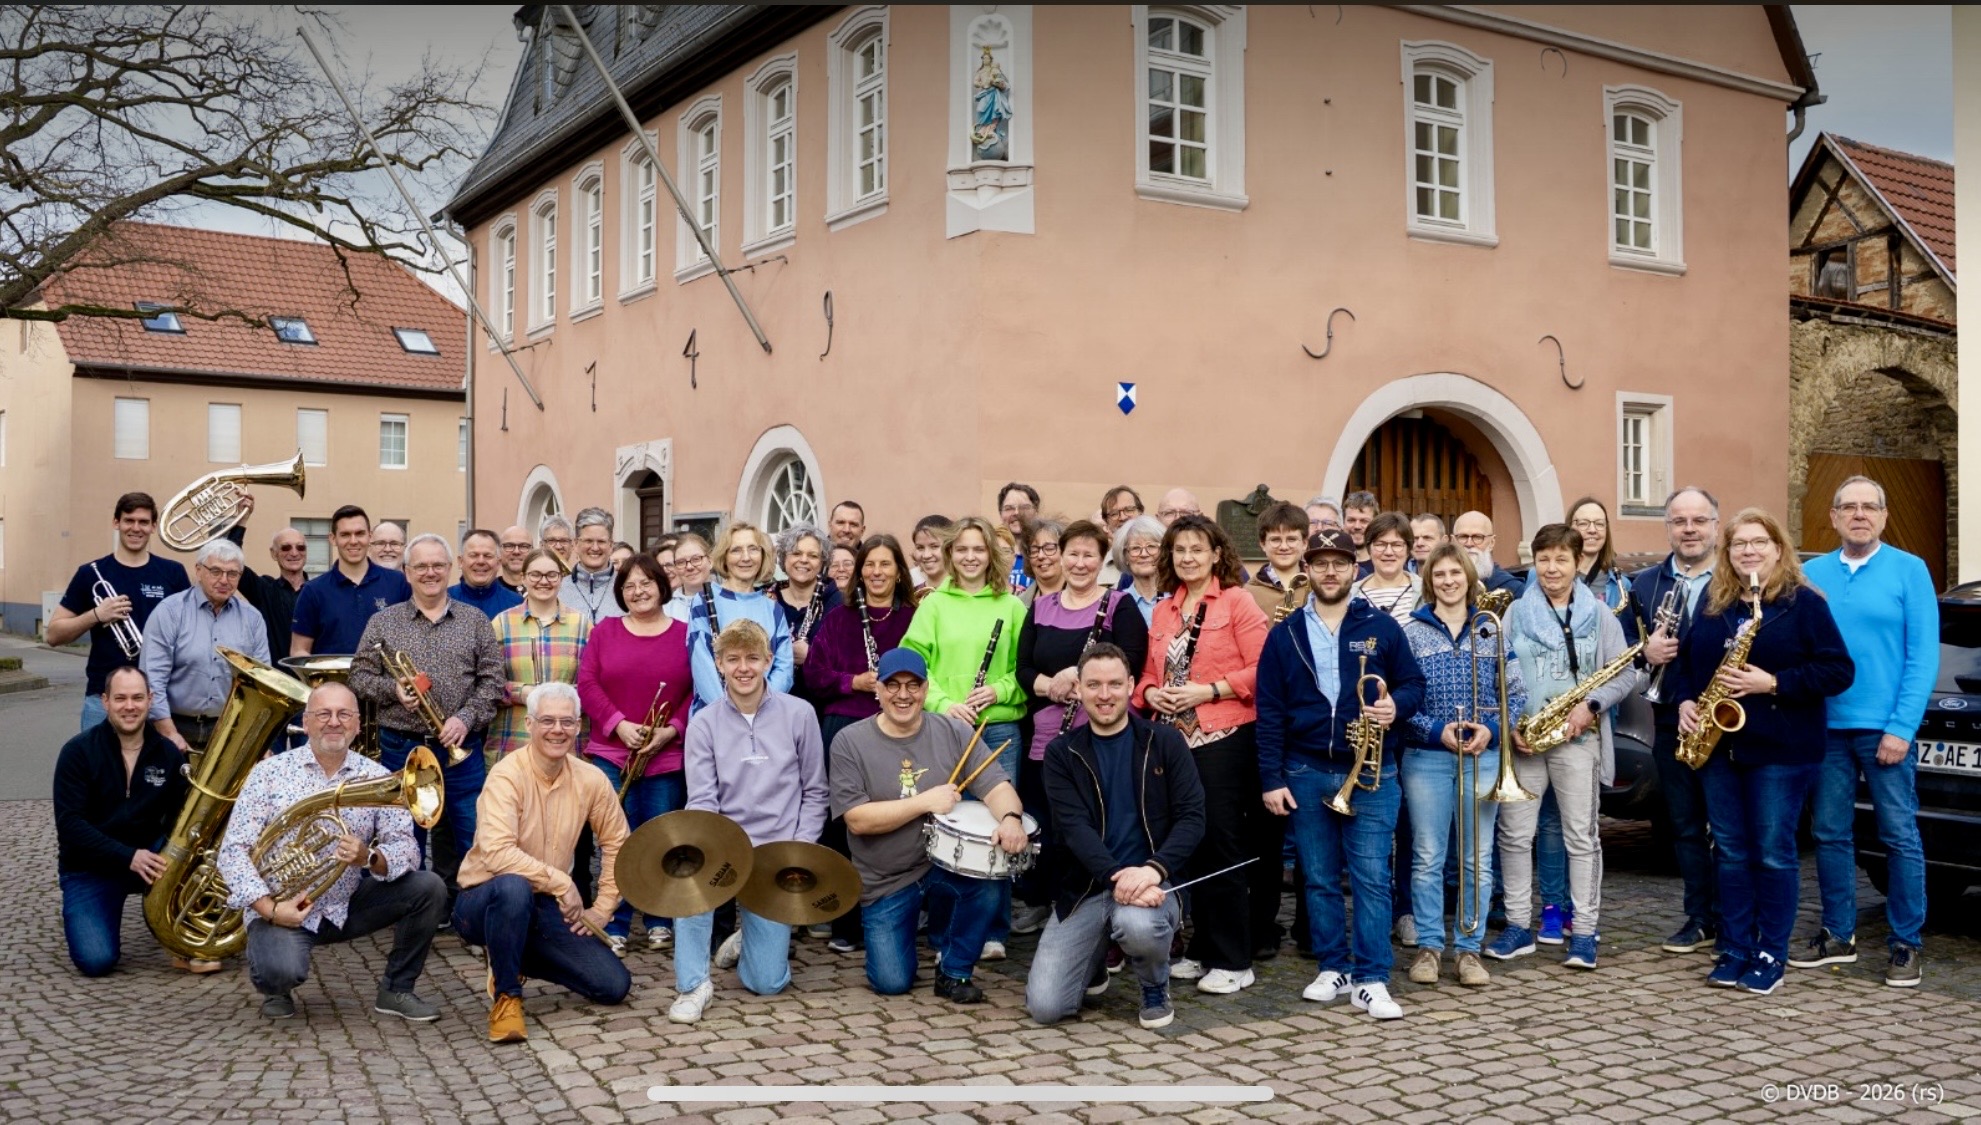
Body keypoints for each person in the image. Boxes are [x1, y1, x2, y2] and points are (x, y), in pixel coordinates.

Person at [1675, 509, 1854, 995]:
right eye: (1739, 545)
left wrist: (1772, 682)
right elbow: (1686, 665)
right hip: (1719, 748)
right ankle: (1734, 946)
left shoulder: (1804, 605)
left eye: (1758, 542)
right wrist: (1687, 700)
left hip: (1781, 748)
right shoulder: (1715, 605)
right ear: (1728, 553)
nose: (1748, 551)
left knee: (1773, 854)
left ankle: (1770, 951)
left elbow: (1838, 671)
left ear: (1778, 549)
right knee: (1730, 851)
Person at [1256, 529, 1425, 1019]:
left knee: (1373, 877)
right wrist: (1271, 778)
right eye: (1321, 563)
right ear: (1307, 568)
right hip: (1306, 769)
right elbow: (1269, 712)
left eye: (1340, 563)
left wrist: (1396, 706)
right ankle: (1334, 965)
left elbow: (1413, 683)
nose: (1330, 572)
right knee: (1319, 878)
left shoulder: (1384, 626)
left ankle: (1372, 978)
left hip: (1372, 773)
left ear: (1356, 567)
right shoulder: (1284, 633)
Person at [216, 682, 447, 1021]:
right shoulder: (269, 774)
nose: (334, 722)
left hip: (345, 903)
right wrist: (270, 908)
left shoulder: (377, 777)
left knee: (430, 888)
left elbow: (407, 848)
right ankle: (277, 987)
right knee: (280, 970)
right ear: (306, 723)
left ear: (357, 725)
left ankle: (397, 990)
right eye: (323, 714)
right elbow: (233, 851)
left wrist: (369, 857)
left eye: (344, 714)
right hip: (283, 907)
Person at [1026, 644, 1205, 1030]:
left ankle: (1155, 987)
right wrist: (1119, 876)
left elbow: (1193, 818)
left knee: (1138, 926)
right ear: (1079, 689)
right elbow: (1073, 829)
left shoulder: (1165, 742)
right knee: (1045, 1007)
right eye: (1093, 685)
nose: (1104, 695)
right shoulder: (1062, 753)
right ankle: (1092, 966)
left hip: (1153, 884)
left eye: (1113, 684)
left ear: (1131, 686)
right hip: (1087, 889)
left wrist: (1154, 870)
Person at [1487, 524, 1641, 970]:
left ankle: (1586, 931)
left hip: (1578, 739)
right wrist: (1511, 724)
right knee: (1515, 837)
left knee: (1581, 837)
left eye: (1561, 559)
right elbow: (1498, 674)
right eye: (1544, 559)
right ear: (1534, 562)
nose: (1552, 568)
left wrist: (1590, 706)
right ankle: (1518, 925)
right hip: (1526, 740)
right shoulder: (1515, 614)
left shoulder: (1601, 616)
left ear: (1577, 564)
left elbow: (1623, 673)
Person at [1799, 476, 1934, 987]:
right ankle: (1838, 934)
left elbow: (1922, 657)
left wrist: (1902, 726)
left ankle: (1906, 943)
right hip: (1826, 726)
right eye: (1848, 507)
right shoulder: (1810, 574)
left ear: (1883, 516)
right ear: (1833, 517)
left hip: (1885, 730)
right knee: (1830, 834)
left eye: (1869, 507)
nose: (1859, 515)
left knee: (1899, 835)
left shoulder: (1910, 570)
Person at [834, 648, 1027, 1002]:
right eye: (892, 685)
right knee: (891, 982)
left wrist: (1012, 820)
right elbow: (857, 820)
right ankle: (909, 937)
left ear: (926, 689)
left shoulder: (953, 731)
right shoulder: (850, 741)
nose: (903, 695)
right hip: (886, 880)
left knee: (988, 881)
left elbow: (998, 787)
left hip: (942, 866)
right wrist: (925, 802)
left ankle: (954, 970)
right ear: (877, 689)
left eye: (913, 685)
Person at [1136, 514, 1273, 990]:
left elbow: (1263, 669)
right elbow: (1150, 675)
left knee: (1222, 845)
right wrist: (1151, 695)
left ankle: (1235, 961)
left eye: (1198, 549)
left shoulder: (1238, 602)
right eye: (1180, 550)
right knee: (1189, 847)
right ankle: (1202, 947)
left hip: (1223, 738)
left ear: (1217, 554)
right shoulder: (1163, 610)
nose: (1188, 557)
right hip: (1172, 740)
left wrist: (1208, 691)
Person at [454, 682, 633, 1043]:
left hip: (541, 904)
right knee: (513, 887)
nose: (557, 730)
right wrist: (562, 882)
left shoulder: (591, 778)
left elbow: (618, 844)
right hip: (481, 901)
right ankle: (507, 997)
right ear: (530, 725)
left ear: (579, 726)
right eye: (547, 721)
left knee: (612, 985)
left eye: (567, 722)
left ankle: (509, 953)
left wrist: (601, 908)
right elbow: (497, 853)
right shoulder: (506, 775)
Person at [669, 620, 828, 1025]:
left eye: (753, 658)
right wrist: (712, 850)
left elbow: (815, 791)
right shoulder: (704, 723)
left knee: (767, 982)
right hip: (725, 845)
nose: (744, 668)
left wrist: (799, 849)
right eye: (733, 659)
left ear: (769, 661)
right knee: (687, 885)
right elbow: (702, 797)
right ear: (719, 663)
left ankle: (749, 942)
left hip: (777, 853)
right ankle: (693, 985)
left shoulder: (800, 714)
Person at [350, 534, 505, 911]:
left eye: (438, 565)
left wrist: (465, 719)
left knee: (472, 832)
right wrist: (392, 690)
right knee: (403, 835)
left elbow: (493, 682)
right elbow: (358, 676)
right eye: (421, 566)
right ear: (407, 572)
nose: (430, 572)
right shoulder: (383, 622)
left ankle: (475, 912)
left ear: (450, 569)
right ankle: (410, 914)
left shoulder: (475, 621)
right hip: (401, 745)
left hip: (460, 748)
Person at [1399, 544, 1526, 988]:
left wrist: (1490, 727)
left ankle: (1469, 950)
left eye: (1456, 573)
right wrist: (1438, 732)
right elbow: (1400, 702)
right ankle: (1431, 947)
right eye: (1440, 574)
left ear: (1469, 578)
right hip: (1427, 758)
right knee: (1428, 856)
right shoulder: (1410, 632)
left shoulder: (1490, 630)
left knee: (1477, 858)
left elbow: (1516, 694)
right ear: (1429, 581)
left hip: (1482, 755)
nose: (1449, 581)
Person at [1017, 520, 1150, 935]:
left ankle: (1102, 911)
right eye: (1071, 553)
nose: (1079, 562)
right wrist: (1052, 686)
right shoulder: (1040, 606)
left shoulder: (1119, 605)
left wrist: (1077, 678)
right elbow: (1022, 668)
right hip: (1047, 736)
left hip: (1100, 735)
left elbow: (1132, 663)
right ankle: (1055, 908)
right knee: (1048, 825)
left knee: (1096, 824)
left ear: (1102, 559)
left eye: (1088, 555)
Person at [805, 532, 920, 954]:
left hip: (899, 729)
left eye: (885, 564)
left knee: (895, 818)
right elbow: (815, 676)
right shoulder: (839, 618)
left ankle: (898, 911)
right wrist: (853, 681)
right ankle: (844, 918)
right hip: (845, 729)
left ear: (898, 571)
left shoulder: (913, 618)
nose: (876, 573)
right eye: (869, 565)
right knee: (843, 825)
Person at [575, 552, 693, 952]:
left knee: (659, 836)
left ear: (662, 586)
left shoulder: (685, 633)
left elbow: (696, 692)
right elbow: (587, 684)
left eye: (646, 583)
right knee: (616, 838)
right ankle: (616, 918)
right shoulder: (605, 631)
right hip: (612, 751)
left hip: (665, 753)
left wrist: (671, 730)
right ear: (620, 593)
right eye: (629, 586)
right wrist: (619, 725)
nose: (638, 591)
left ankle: (659, 917)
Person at [1628, 486, 1724, 955]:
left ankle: (1734, 917)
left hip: (1729, 717)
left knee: (1729, 826)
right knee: (1683, 824)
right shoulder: (1645, 584)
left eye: (1698, 520)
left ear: (1715, 526)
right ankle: (1699, 917)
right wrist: (1645, 654)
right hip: (1671, 717)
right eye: (1680, 521)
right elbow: (1624, 652)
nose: (1689, 529)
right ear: (1668, 527)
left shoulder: (1737, 578)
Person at [53, 666, 195, 976]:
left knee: (197, 854)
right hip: (90, 868)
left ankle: (185, 934)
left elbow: (183, 816)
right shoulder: (77, 752)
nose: (129, 706)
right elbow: (70, 825)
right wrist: (127, 856)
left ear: (150, 700)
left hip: (149, 859)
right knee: (96, 960)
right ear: (105, 702)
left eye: (137, 698)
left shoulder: (168, 753)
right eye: (120, 698)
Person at [49, 492, 191, 729]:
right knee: (99, 766)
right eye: (129, 520)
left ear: (154, 526)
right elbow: (53, 634)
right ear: (116, 523)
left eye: (144, 522)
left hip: (159, 698)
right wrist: (96, 615)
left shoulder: (173, 572)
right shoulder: (90, 573)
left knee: (158, 767)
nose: (136, 528)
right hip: (103, 699)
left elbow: (190, 632)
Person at [140, 539, 270, 753]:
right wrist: (169, 732)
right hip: (173, 725)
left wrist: (256, 737)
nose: (224, 580)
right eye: (216, 571)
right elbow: (153, 679)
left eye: (232, 574)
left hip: (230, 729)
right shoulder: (170, 612)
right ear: (198, 570)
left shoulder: (253, 618)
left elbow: (262, 684)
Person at [490, 548, 591, 758]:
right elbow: (488, 684)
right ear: (523, 578)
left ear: (561, 578)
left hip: (569, 750)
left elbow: (593, 686)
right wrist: (523, 693)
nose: (543, 581)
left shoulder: (582, 625)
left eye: (551, 575)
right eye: (535, 574)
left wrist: (559, 697)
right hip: (514, 745)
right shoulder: (501, 623)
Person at [686, 522, 794, 714]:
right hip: (715, 715)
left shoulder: (773, 608)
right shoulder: (703, 601)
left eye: (753, 549)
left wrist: (758, 709)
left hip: (764, 716)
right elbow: (701, 664)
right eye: (736, 550)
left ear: (762, 555)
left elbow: (784, 669)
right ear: (724, 557)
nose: (746, 557)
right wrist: (733, 712)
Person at [291, 505, 412, 657]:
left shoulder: (399, 583)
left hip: (389, 680)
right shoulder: (313, 591)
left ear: (370, 536)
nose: (353, 541)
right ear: (333, 538)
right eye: (345, 535)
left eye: (359, 533)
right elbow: (299, 650)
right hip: (333, 680)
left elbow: (415, 637)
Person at [771, 524, 842, 697]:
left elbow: (848, 662)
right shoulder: (766, 599)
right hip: (771, 701)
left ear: (823, 562)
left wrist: (812, 656)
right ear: (783, 558)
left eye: (813, 555)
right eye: (796, 553)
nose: (803, 560)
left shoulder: (839, 603)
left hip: (822, 704)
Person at [236, 524, 309, 663]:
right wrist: (242, 520)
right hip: (276, 680)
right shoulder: (264, 590)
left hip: (314, 681)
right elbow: (232, 560)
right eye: (286, 547)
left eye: (300, 547)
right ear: (273, 553)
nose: (294, 553)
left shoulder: (319, 591)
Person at [1352, 512, 1423, 625]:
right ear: (1369, 549)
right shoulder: (1352, 594)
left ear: (1408, 550)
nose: (1388, 552)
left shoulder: (1425, 591)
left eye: (1397, 545)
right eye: (1380, 544)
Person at [1564, 497, 1630, 617]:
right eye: (1583, 523)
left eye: (1599, 524)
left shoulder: (1622, 585)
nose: (1592, 530)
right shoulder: (1545, 574)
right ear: (1569, 528)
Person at [559, 508, 625, 626]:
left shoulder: (625, 587)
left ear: (611, 546)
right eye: (588, 541)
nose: (595, 548)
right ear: (575, 545)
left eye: (601, 541)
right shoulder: (559, 589)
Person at [1246, 502, 1311, 616]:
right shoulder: (1248, 593)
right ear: (1262, 544)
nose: (1284, 547)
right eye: (1275, 540)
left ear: (1304, 543)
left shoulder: (1317, 587)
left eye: (1291, 539)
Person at [451, 529, 524, 619]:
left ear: (498, 563)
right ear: (460, 561)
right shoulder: (444, 602)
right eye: (474, 555)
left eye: (487, 556)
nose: (481, 561)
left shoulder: (516, 605)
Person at [1453, 511, 1521, 600]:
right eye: (1463, 537)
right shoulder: (1440, 584)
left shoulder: (1513, 589)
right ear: (1453, 541)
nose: (1469, 544)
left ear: (1492, 543)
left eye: (1478, 537)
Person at [1114, 515, 1168, 622]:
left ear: (1163, 551)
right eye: (1135, 548)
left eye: (1151, 547)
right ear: (1125, 556)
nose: (1144, 554)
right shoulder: (1117, 602)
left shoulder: (1179, 597)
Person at [998, 483, 1042, 591]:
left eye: (1024, 507)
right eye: (1009, 508)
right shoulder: (991, 552)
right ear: (1000, 513)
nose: (1017, 513)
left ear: (1036, 511)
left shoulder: (1047, 552)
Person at [662, 532, 712, 623]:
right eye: (681, 562)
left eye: (696, 559)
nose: (689, 567)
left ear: (710, 561)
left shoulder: (727, 600)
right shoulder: (665, 609)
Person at [1018, 518, 1067, 607]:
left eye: (1049, 548)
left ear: (1065, 552)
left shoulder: (1082, 598)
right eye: (1034, 550)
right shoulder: (1019, 605)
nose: (1041, 556)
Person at [909, 514, 952, 594]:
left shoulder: (964, 594)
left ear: (950, 548)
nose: (926, 555)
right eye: (920, 548)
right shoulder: (910, 597)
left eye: (934, 546)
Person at [1342, 491, 1379, 565]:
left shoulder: (1387, 565)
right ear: (1343, 523)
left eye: (1364, 521)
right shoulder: (1333, 564)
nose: (1357, 526)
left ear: (1375, 524)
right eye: (1351, 520)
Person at [498, 525, 535, 593]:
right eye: (509, 546)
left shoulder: (543, 591)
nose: (516, 551)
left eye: (524, 546)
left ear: (532, 552)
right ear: (499, 552)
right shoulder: (486, 592)